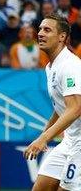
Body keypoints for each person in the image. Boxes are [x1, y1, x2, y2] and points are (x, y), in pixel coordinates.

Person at [24, 13, 81, 191]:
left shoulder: (70, 66)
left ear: (62, 37)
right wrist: (44, 136)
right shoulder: (51, 67)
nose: (40, 33)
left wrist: (44, 138)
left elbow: (76, 108)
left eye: (47, 30)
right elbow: (61, 107)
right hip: (70, 141)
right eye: (40, 29)